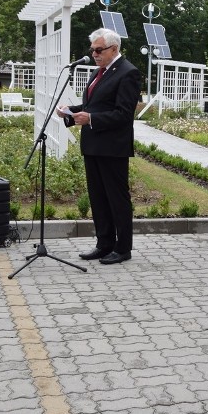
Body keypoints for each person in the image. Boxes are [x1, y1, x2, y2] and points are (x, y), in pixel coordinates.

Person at [57, 28, 141, 265]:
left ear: (114, 49)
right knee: (98, 198)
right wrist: (71, 112)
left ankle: (123, 247)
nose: (94, 53)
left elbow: (124, 114)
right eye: (92, 49)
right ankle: (104, 244)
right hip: (93, 144)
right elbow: (93, 105)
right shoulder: (98, 73)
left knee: (116, 198)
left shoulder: (128, 73)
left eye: (98, 49)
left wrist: (91, 119)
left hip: (113, 147)